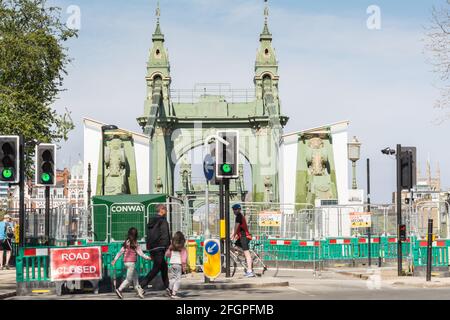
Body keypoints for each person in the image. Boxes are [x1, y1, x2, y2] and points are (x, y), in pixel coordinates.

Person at [111, 227, 151, 299]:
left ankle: (138, 290)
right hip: (131, 263)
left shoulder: (127, 242)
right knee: (128, 279)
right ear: (136, 235)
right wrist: (148, 258)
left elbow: (120, 252)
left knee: (135, 276)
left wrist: (115, 259)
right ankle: (119, 290)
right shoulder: (135, 243)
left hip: (126, 262)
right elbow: (141, 254)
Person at [140, 204, 171, 293]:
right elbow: (165, 234)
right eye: (165, 209)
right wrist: (167, 247)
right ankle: (141, 286)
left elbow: (149, 235)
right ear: (161, 210)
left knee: (164, 267)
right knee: (156, 268)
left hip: (152, 248)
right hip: (160, 247)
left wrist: (149, 247)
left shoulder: (151, 221)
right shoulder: (163, 221)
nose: (166, 211)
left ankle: (168, 288)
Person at [231, 204, 255, 277]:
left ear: (239, 210)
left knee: (247, 254)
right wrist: (231, 235)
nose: (234, 211)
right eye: (233, 210)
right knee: (233, 247)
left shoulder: (239, 216)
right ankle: (246, 258)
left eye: (235, 209)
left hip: (244, 237)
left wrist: (233, 235)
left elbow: (236, 228)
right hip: (240, 238)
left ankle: (250, 271)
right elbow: (234, 228)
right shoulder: (238, 217)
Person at [165, 231, 187, 299]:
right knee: (178, 280)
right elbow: (183, 259)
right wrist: (184, 267)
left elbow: (167, 254)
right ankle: (174, 293)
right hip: (178, 264)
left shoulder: (171, 247)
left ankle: (169, 288)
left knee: (173, 278)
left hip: (171, 264)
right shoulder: (182, 248)